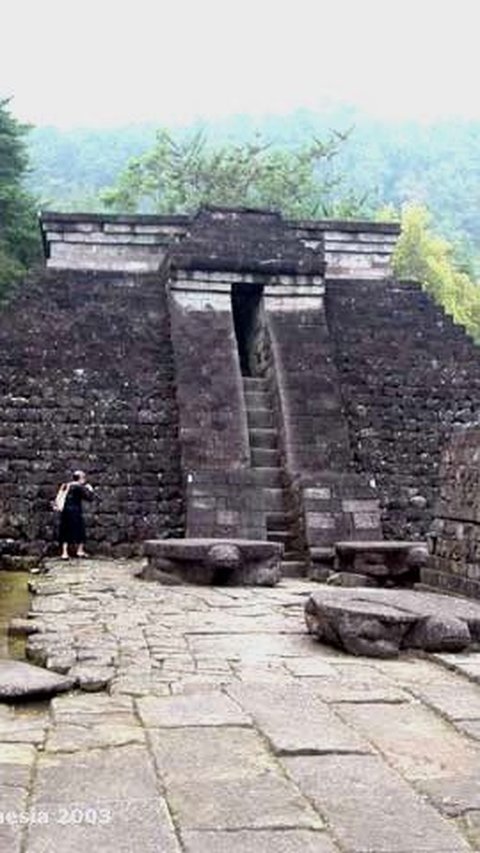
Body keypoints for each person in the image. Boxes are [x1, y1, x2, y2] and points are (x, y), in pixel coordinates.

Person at [56, 470, 95, 560]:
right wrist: (90, 489)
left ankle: (64, 553)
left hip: (65, 511)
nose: (85, 479)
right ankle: (79, 550)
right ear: (80, 478)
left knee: (65, 531)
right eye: (83, 477)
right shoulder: (79, 487)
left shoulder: (67, 485)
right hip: (75, 511)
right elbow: (89, 497)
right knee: (80, 530)